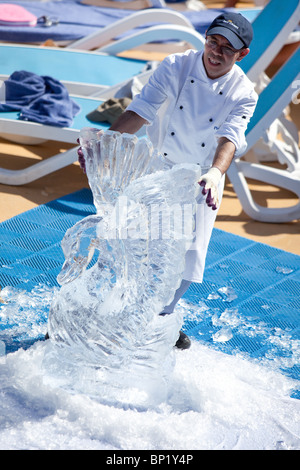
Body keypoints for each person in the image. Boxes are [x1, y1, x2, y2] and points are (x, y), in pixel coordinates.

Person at [78, 12, 258, 350]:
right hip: (157, 168)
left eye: (226, 49)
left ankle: (164, 321)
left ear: (241, 55)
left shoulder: (244, 93)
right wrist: (103, 143)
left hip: (199, 180)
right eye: (212, 42)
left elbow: (230, 138)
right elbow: (142, 110)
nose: (215, 52)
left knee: (188, 258)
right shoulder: (176, 65)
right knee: (123, 241)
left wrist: (217, 173)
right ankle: (90, 313)